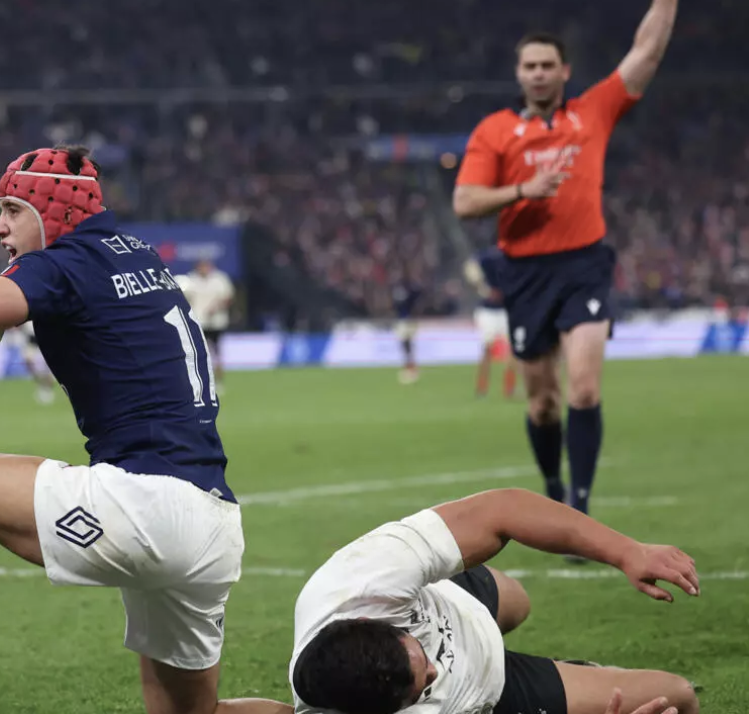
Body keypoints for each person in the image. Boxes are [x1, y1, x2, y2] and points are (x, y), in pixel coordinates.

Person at [0, 146, 283, 714]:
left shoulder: (66, 262)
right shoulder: (139, 254)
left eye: (11, 209)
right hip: (212, 521)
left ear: (56, 211)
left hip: (146, 505)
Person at [452, 0, 678, 516]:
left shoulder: (591, 112)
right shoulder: (494, 131)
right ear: (518, 73)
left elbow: (646, 52)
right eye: (530, 66)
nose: (538, 73)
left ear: (564, 71)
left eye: (547, 65)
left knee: (583, 388)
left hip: (584, 266)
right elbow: (464, 202)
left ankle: (579, 503)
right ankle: (554, 484)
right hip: (525, 273)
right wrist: (522, 190)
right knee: (542, 403)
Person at [289, 488, 700, 714]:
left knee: (519, 601)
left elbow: (502, 510)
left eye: (420, 656)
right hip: (486, 690)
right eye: (423, 684)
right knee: (677, 696)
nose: (435, 668)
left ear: (367, 621)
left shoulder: (362, 578)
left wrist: (627, 551)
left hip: (447, 603)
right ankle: (568, 678)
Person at [464, 247, 517, 399]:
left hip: (503, 309)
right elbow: (471, 267)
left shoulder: (496, 256)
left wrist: (483, 289)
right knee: (490, 349)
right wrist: (485, 290)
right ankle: (485, 387)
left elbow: (470, 268)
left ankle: (505, 388)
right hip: (490, 311)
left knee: (506, 350)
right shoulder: (494, 256)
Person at [180, 259, 235, 390]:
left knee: (217, 352)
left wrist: (217, 307)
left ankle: (219, 381)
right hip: (198, 321)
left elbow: (228, 298)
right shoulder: (190, 280)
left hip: (217, 322)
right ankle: (200, 380)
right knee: (198, 352)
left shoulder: (220, 279)